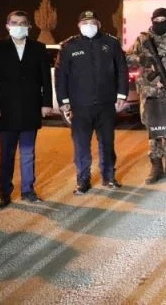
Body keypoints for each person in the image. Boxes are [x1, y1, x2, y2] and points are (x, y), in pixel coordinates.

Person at [0, 11, 53, 210]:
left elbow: (45, 79)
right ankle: (4, 193)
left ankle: (28, 190)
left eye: (23, 23)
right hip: (5, 111)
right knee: (7, 154)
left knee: (28, 153)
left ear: (29, 26)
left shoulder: (38, 48)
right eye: (15, 23)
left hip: (31, 109)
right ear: (7, 26)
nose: (19, 26)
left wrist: (46, 103)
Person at [56, 10, 129, 194]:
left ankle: (108, 177)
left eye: (92, 22)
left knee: (107, 143)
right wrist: (63, 100)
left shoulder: (111, 43)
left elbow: (122, 69)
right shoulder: (69, 46)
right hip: (80, 106)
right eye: (85, 23)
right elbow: (61, 75)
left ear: (99, 24)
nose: (89, 26)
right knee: (81, 146)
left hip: (106, 104)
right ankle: (83, 180)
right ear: (79, 25)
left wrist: (121, 95)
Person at [126, 8, 166, 183]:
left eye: (163, 19)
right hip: (149, 95)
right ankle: (156, 168)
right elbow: (127, 57)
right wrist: (142, 59)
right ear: (152, 20)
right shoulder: (142, 40)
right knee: (153, 132)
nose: (160, 22)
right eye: (157, 19)